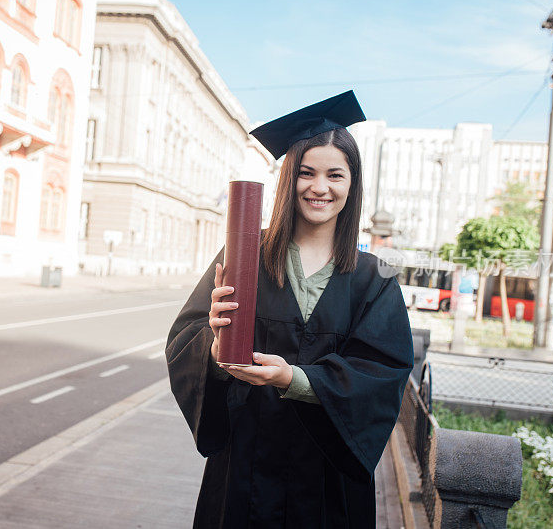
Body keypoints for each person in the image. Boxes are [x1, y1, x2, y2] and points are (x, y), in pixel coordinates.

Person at [165, 91, 413, 528]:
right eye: (306, 173)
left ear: (352, 184)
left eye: (335, 174)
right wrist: (212, 336)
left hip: (326, 482)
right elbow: (184, 340)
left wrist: (293, 379)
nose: (320, 187)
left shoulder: (374, 279)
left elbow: (382, 373)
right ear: (287, 181)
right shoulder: (246, 257)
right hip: (244, 468)